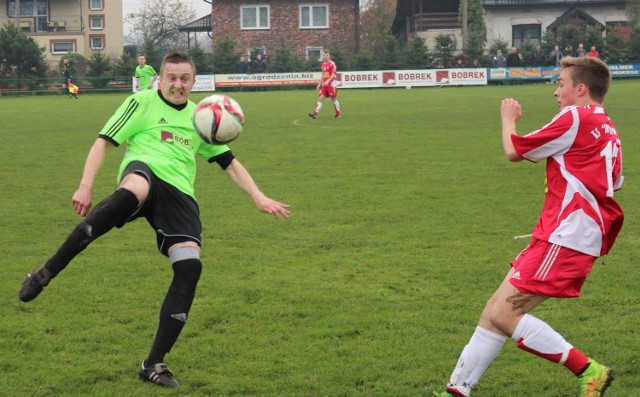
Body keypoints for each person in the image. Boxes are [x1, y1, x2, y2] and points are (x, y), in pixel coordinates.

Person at [19, 52, 290, 388]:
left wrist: (259, 197)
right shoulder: (141, 102)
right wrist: (85, 185)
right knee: (133, 189)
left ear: (193, 81)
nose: (178, 85)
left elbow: (230, 163)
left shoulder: (200, 118)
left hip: (179, 194)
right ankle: (48, 270)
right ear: (160, 78)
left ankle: (153, 363)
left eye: (185, 79)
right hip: (144, 172)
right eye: (172, 78)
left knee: (190, 267)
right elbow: (103, 143)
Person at [434, 55, 623, 397]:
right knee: (494, 312)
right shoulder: (608, 126)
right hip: (561, 233)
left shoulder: (575, 116)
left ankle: (589, 370)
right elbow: (615, 181)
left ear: (581, 89)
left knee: (506, 315)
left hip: (567, 236)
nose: (556, 92)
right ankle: (457, 391)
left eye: (561, 84)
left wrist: (509, 119)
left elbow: (513, 150)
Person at [308, 50, 341, 119]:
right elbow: (323, 75)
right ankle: (314, 113)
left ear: (329, 56)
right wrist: (319, 84)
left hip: (331, 84)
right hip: (324, 85)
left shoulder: (332, 63)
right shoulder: (323, 64)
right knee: (321, 98)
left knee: (333, 99)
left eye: (327, 55)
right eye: (324, 55)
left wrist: (328, 81)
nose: (325, 57)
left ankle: (338, 114)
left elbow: (333, 74)